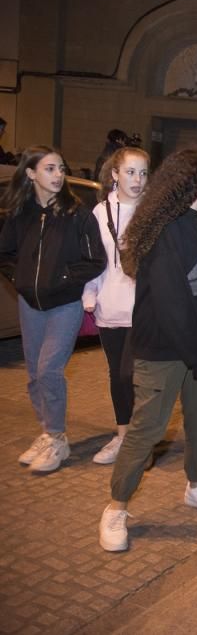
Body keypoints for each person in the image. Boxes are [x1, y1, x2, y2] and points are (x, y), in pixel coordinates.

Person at [98, 148, 197, 552]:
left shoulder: (193, 224)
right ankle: (116, 506)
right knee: (147, 430)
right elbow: (173, 305)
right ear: (196, 183)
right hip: (165, 352)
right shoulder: (167, 230)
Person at [0, 146, 107, 472]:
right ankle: (47, 433)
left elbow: (95, 260)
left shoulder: (78, 215)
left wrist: (61, 278)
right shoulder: (22, 213)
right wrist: (20, 278)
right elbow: (5, 253)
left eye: (61, 168)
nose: (58, 174)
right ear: (31, 174)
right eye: (50, 169)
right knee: (34, 375)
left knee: (48, 370)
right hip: (30, 304)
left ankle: (58, 439)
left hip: (65, 304)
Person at [82, 147, 149, 464]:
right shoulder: (99, 213)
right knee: (115, 375)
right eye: (131, 172)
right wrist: (90, 292)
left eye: (143, 173)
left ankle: (140, 440)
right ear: (115, 174)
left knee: (131, 375)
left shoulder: (152, 212)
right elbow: (94, 259)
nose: (137, 179)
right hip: (109, 306)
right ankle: (123, 435)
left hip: (142, 309)